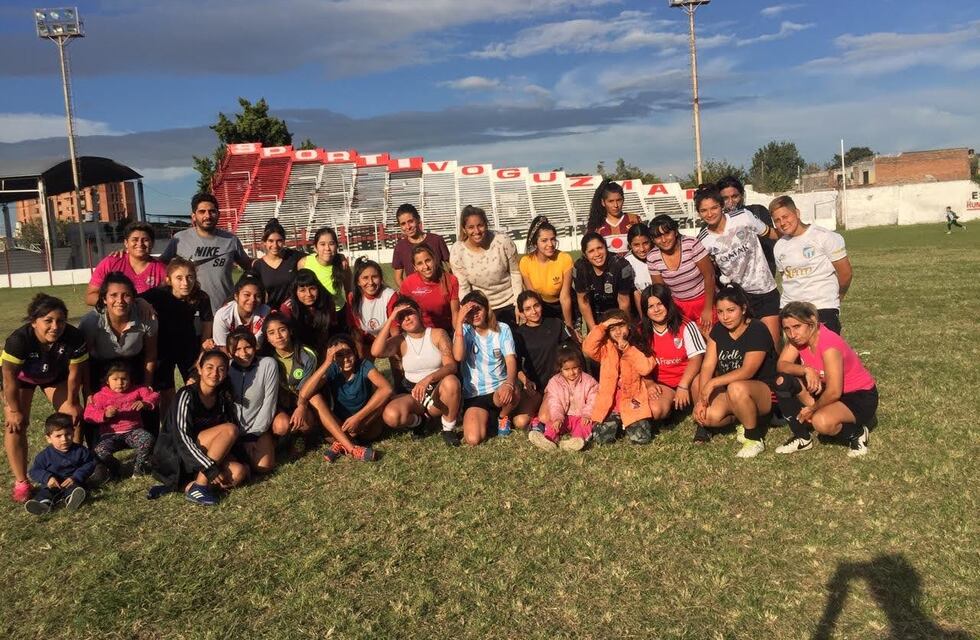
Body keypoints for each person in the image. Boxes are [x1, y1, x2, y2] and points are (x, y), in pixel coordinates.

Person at [2, 294, 88, 502]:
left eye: (60, 320)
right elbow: (8, 378)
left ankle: (74, 474)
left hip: (53, 376)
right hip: (21, 380)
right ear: (34, 322)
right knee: (16, 425)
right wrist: (13, 410)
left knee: (73, 417)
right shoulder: (18, 340)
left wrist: (74, 402)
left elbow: (75, 375)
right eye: (47, 320)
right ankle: (22, 482)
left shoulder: (74, 337)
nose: (55, 326)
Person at [263, 315, 376, 461]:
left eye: (282, 330)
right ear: (267, 337)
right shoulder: (266, 358)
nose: (278, 336)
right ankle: (290, 439)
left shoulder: (307, 355)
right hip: (281, 406)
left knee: (313, 401)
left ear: (290, 331)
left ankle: (349, 448)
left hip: (305, 404)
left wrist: (302, 406)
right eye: (271, 333)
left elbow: (306, 390)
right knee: (281, 426)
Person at [774, 302, 878, 458]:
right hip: (827, 391)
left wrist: (813, 408)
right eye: (787, 329)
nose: (792, 334)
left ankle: (857, 433)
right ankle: (802, 437)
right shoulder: (798, 340)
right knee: (782, 381)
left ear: (812, 322)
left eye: (797, 326)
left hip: (858, 396)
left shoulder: (829, 344)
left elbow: (835, 392)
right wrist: (805, 369)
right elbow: (781, 365)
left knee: (821, 422)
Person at [149, 349, 249, 506]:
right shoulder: (186, 395)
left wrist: (242, 460)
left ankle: (188, 486)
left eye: (221, 369)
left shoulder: (223, 396)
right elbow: (181, 438)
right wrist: (209, 468)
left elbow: (225, 440)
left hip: (203, 455)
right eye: (209, 367)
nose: (215, 373)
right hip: (178, 456)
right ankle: (200, 486)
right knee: (229, 429)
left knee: (238, 472)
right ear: (200, 369)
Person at [693, 284, 778, 458]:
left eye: (731, 310)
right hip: (731, 391)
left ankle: (754, 438)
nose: (725, 317)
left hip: (762, 393)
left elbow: (748, 370)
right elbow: (708, 365)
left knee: (736, 387)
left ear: (744, 309)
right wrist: (701, 400)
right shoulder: (718, 330)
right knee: (706, 404)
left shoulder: (757, 328)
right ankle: (737, 419)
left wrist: (713, 383)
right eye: (721, 311)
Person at [695, 186, 781, 348]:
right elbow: (708, 274)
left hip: (765, 290)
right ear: (698, 213)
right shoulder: (703, 240)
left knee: (772, 346)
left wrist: (800, 235)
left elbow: (771, 234)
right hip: (738, 299)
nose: (710, 214)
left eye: (714, 207)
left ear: (721, 206)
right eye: (703, 210)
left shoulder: (743, 217)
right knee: (750, 348)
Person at [372, 299, 462, 447]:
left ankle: (448, 429)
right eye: (401, 317)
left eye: (410, 313)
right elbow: (376, 351)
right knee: (391, 416)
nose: (406, 318)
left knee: (451, 381)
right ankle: (420, 422)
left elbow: (451, 366)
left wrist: (428, 378)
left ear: (419, 313)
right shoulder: (400, 340)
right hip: (414, 393)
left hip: (438, 390)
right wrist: (390, 319)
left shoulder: (437, 334)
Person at [141, 257, 213, 415]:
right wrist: (144, 303)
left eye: (190, 277)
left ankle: (195, 424)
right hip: (162, 349)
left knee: (196, 386)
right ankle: (169, 431)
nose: (185, 283)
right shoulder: (158, 295)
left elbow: (207, 324)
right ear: (168, 280)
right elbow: (135, 298)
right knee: (167, 393)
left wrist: (202, 353)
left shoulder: (201, 297)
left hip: (189, 347)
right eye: (179, 278)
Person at [771, 195, 852, 335]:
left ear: (797, 213)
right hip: (790, 310)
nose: (782, 223)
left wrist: (838, 296)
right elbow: (787, 278)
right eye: (777, 220)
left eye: (785, 216)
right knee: (796, 356)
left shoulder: (824, 236)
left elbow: (846, 273)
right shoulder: (779, 246)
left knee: (825, 354)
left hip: (821, 307)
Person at [160, 193, 253, 314]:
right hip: (191, 312)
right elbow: (160, 267)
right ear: (193, 216)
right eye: (202, 211)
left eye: (212, 211)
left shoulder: (231, 240)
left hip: (225, 310)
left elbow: (249, 266)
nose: (207, 216)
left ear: (218, 214)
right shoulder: (180, 239)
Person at [300, 335, 390, 454]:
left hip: (365, 424)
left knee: (382, 402)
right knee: (314, 398)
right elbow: (304, 394)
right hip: (342, 426)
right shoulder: (333, 368)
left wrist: (358, 418)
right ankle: (351, 447)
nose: (346, 359)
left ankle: (342, 443)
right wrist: (327, 363)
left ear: (354, 352)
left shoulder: (364, 365)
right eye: (339, 355)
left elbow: (387, 389)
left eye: (348, 353)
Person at [453, 291, 521, 445]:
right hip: (475, 394)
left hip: (499, 389)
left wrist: (509, 383)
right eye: (470, 312)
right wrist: (459, 322)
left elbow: (510, 360)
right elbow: (458, 356)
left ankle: (503, 417)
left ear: (486, 309)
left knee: (514, 389)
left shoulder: (502, 328)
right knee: (473, 439)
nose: (475, 315)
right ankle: (488, 418)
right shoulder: (463, 330)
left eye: (478, 309)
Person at [582, 310, 657, 445]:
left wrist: (628, 349)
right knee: (602, 438)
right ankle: (619, 423)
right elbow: (587, 348)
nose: (618, 332)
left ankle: (627, 423)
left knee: (641, 438)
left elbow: (646, 368)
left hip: (633, 401)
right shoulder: (605, 348)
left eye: (621, 326)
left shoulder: (638, 345)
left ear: (629, 326)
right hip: (611, 404)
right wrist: (603, 326)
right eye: (613, 329)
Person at [639, 284, 705, 422]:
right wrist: (650, 383)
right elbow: (637, 363)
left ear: (668, 304)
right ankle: (672, 407)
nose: (656, 309)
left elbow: (697, 358)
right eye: (650, 306)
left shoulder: (687, 325)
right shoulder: (641, 332)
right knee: (655, 411)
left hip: (688, 380)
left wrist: (683, 385)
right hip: (663, 383)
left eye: (660, 304)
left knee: (699, 381)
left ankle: (702, 422)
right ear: (645, 310)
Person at [79, 272, 158, 387]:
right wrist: (88, 391)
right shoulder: (91, 322)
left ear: (134, 298)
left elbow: (150, 355)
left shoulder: (147, 317)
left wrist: (147, 386)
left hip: (134, 367)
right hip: (99, 369)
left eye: (126, 295)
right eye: (113, 295)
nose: (120, 300)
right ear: (104, 299)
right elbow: (84, 360)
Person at [450, 205, 523, 328]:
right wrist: (469, 310)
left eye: (480, 225)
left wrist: (518, 304)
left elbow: (515, 273)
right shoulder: (458, 251)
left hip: (510, 303)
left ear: (486, 224)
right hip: (481, 309)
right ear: (464, 229)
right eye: (471, 227)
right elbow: (464, 287)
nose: (477, 231)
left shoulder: (502, 241)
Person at [83, 360, 159, 478]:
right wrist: (105, 414)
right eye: (115, 379)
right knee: (99, 451)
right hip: (110, 434)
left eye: (124, 379)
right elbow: (88, 414)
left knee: (148, 439)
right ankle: (117, 468)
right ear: (107, 381)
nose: (120, 383)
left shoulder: (137, 390)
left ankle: (139, 467)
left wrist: (146, 403)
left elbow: (154, 395)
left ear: (130, 379)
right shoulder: (99, 396)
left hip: (133, 431)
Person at [646, 214, 716, 334]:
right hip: (678, 306)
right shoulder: (652, 257)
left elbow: (709, 275)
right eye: (658, 237)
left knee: (712, 337)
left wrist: (708, 309)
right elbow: (661, 291)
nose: (663, 240)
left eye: (667, 234)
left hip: (705, 299)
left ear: (675, 232)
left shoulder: (691, 244)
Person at [512, 291, 572, 427]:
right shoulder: (519, 334)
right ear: (521, 313)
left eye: (536, 306)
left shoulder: (556, 324)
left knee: (545, 418)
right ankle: (537, 416)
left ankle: (541, 419)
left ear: (541, 306)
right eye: (527, 309)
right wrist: (525, 381)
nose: (533, 311)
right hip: (534, 385)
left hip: (556, 382)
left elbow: (571, 353)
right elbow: (515, 365)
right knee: (520, 422)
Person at [226, 327, 279, 474]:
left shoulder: (267, 364)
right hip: (233, 432)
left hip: (257, 430)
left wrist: (253, 435)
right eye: (237, 349)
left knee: (264, 467)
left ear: (254, 345)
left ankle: (273, 443)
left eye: (248, 347)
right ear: (230, 351)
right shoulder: (226, 368)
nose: (243, 354)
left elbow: (269, 402)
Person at [527, 345, 598, 453]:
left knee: (585, 426)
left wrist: (587, 414)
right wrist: (557, 418)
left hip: (581, 416)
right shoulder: (555, 382)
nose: (572, 373)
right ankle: (549, 439)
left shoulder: (588, 381)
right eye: (567, 369)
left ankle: (576, 441)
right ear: (560, 369)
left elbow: (593, 399)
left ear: (580, 366)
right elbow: (554, 402)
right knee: (552, 424)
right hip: (564, 416)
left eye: (574, 368)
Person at [24, 413, 95, 515]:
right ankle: (43, 506)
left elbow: (89, 464)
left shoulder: (80, 451)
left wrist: (76, 477)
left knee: (75, 490)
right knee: (45, 493)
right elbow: (34, 471)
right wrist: (47, 478)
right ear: (48, 438)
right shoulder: (44, 456)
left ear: (73, 433)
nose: (64, 439)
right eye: (58, 436)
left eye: (68, 434)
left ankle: (72, 500)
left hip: (73, 482)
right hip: (52, 485)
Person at [85, 221, 167, 305]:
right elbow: (90, 296)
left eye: (145, 240)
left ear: (152, 243)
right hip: (113, 316)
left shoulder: (162, 270)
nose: (140, 244)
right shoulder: (110, 263)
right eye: (134, 240)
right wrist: (116, 304)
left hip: (147, 317)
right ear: (126, 243)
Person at [519, 215, 575, 331]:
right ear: (535, 243)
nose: (550, 244)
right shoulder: (526, 262)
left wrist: (569, 327)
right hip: (541, 307)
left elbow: (565, 297)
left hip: (564, 305)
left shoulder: (565, 259)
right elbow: (533, 297)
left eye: (553, 239)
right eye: (544, 240)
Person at [572, 232, 634, 332]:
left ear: (606, 247)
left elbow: (624, 302)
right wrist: (594, 330)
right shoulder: (579, 268)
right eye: (591, 251)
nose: (597, 254)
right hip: (594, 315)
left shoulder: (621, 265)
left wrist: (623, 327)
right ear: (585, 254)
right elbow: (583, 301)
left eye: (600, 248)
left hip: (617, 313)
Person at [717, 175, 777, 275]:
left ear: (742, 195)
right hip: (733, 283)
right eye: (725, 198)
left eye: (735, 196)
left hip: (763, 279)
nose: (731, 202)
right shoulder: (714, 225)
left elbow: (771, 243)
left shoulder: (758, 212)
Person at [297, 227, 352, 333]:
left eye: (331, 244)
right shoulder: (304, 263)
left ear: (336, 246)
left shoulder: (342, 264)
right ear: (315, 247)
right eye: (322, 244)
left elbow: (349, 291)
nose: (327, 248)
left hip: (338, 315)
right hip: (313, 316)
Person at [399, 244, 460, 333]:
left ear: (435, 260)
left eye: (428, 261)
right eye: (420, 263)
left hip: (445, 330)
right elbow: (404, 314)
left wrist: (457, 336)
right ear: (415, 267)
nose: (426, 267)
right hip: (419, 331)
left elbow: (455, 313)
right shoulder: (408, 283)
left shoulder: (451, 280)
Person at [348, 257, 399, 358]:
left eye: (375, 277)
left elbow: (395, 329)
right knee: (363, 366)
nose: (371, 282)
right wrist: (360, 355)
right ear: (358, 281)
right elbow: (355, 330)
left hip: (388, 338)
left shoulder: (390, 295)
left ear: (380, 278)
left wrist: (397, 351)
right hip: (366, 339)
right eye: (365, 278)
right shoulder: (352, 297)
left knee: (398, 364)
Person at [391, 203, 451, 286]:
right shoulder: (400, 247)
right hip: (416, 296)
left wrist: (449, 287)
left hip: (440, 293)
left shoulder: (436, 240)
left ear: (418, 219)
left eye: (410, 221)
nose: (408, 227)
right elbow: (398, 278)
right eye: (403, 224)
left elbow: (451, 267)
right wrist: (409, 294)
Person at [252, 218, 303, 309]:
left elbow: (316, 259)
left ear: (284, 241)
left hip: (296, 313)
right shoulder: (258, 265)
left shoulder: (294, 257)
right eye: (270, 241)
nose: (275, 245)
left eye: (279, 241)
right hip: (272, 314)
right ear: (265, 242)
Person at [280, 268, 333, 355]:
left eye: (312, 288)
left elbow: (331, 330)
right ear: (295, 292)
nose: (308, 294)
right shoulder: (288, 308)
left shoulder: (327, 301)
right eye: (302, 290)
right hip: (297, 350)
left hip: (323, 348)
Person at [212, 273, 271, 349]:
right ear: (236, 296)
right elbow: (223, 348)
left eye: (258, 296)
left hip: (256, 354)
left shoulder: (265, 312)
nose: (252, 299)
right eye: (247, 295)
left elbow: (257, 346)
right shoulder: (222, 316)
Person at [586, 179, 642, 256]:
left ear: (623, 200)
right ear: (603, 202)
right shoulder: (596, 225)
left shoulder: (634, 219)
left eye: (619, 200)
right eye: (611, 201)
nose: (615, 205)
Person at [624, 223, 654, 313]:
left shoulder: (658, 255)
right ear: (630, 245)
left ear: (651, 240)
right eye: (636, 245)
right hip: (638, 312)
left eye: (645, 243)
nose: (642, 249)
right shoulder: (626, 263)